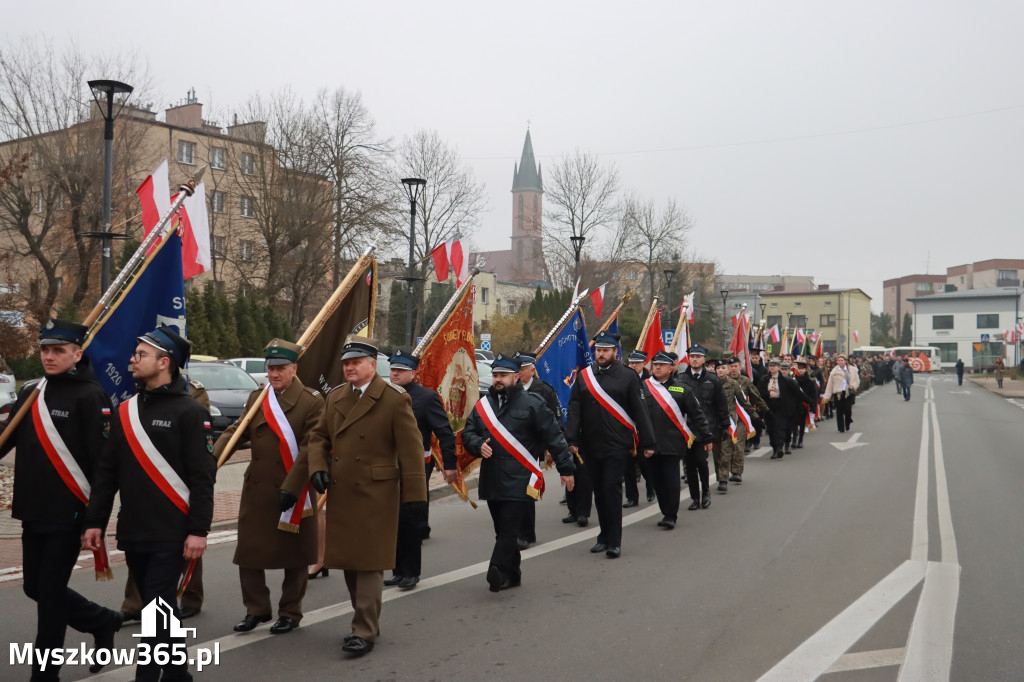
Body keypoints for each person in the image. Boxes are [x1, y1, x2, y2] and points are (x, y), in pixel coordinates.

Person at [84, 325, 215, 682]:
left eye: (140, 354)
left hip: (172, 532)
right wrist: (95, 522)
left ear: (164, 362)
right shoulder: (125, 410)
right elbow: (107, 474)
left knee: (154, 613)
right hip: (135, 529)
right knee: (161, 609)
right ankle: (177, 676)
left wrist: (198, 530)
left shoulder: (190, 412)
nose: (132, 359)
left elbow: (203, 477)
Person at [0, 320, 125, 680]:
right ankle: (103, 620)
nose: (50, 357)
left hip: (69, 511)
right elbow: (6, 438)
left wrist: (95, 520)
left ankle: (45, 673)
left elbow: (105, 467)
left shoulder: (91, 396)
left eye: (58, 351)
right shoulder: (31, 393)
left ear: (77, 354)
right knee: (33, 586)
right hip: (32, 509)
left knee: (50, 593)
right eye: (45, 350)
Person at [289, 336, 426, 658]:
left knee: (368, 564)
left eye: (356, 362)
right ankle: (365, 622)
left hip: (376, 494)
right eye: (346, 363)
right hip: (342, 491)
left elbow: (411, 449)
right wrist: (317, 467)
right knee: (350, 562)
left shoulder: (393, 399)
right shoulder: (336, 397)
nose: (349, 368)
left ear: (372, 364)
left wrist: (416, 497)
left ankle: (363, 630)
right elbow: (318, 437)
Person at [211, 339, 324, 635]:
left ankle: (290, 611)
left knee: (294, 555)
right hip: (258, 488)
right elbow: (238, 430)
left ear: (294, 369)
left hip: (294, 488)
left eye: (280, 369)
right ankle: (256, 609)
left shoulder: (311, 401)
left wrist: (293, 485)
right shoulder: (258, 398)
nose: (274, 374)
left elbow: (312, 445)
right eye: (270, 368)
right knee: (248, 552)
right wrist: (213, 459)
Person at [462, 353, 574, 591]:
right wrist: (477, 444)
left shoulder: (533, 403)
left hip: (522, 478)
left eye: (503, 375)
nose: (498, 380)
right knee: (501, 530)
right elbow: (468, 432)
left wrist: (566, 469)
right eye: (495, 375)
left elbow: (554, 437)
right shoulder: (484, 405)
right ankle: (513, 575)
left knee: (509, 529)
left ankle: (495, 569)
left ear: (516, 377)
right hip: (492, 478)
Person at [121, 377, 212, 622]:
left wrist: (199, 525)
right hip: (143, 501)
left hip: (176, 494)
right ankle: (135, 604)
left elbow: (200, 455)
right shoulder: (136, 395)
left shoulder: (192, 392)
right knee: (151, 580)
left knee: (184, 553)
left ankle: (191, 596)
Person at [566, 332, 655, 558]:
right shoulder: (585, 376)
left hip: (617, 445)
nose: (601, 354)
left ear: (616, 352)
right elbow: (574, 408)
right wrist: (572, 439)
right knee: (599, 492)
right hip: (591, 445)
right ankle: (603, 537)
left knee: (611, 491)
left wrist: (648, 442)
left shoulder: (628, 376)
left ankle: (614, 542)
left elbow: (639, 411)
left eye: (606, 350)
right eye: (598, 350)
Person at [384, 349, 458, 590]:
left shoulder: (426, 397)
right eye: (393, 370)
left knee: (410, 519)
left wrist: (449, 465)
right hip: (388, 466)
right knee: (393, 520)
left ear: (413, 373)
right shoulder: (384, 395)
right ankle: (397, 570)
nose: (394, 374)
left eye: (401, 371)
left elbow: (445, 432)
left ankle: (411, 572)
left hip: (416, 466)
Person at [642, 351, 712, 528]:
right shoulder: (643, 387)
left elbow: (697, 415)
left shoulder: (682, 389)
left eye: (661, 365)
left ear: (671, 368)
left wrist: (706, 437)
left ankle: (670, 515)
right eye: (655, 364)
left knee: (671, 479)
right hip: (650, 443)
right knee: (656, 480)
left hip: (673, 443)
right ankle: (665, 509)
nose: (657, 367)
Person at [679, 345, 730, 507]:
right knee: (689, 465)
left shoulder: (712, 379)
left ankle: (706, 492)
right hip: (686, 429)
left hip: (705, 428)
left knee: (701, 461)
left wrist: (725, 426)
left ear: (703, 359)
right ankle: (695, 497)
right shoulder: (681, 379)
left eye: (698, 356)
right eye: (692, 356)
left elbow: (721, 405)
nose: (694, 359)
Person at [758, 358, 813, 458]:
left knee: (780, 427)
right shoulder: (765, 379)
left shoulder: (786, 380)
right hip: (769, 407)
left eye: (774, 366)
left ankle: (779, 448)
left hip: (782, 407)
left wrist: (810, 402)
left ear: (778, 367)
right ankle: (774, 448)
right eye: (770, 366)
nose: (772, 368)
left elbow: (798, 393)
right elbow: (759, 392)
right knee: (771, 429)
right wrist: (767, 393)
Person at [823, 354, 858, 430]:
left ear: (845, 361)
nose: (840, 362)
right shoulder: (834, 371)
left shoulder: (852, 370)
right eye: (838, 360)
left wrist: (853, 386)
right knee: (839, 411)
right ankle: (841, 427)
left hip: (848, 393)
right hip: (838, 393)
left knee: (848, 409)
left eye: (842, 360)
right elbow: (830, 384)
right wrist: (827, 396)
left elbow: (856, 381)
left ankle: (848, 421)